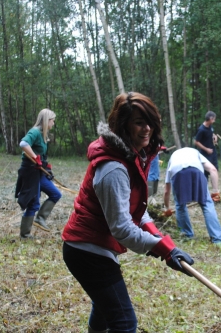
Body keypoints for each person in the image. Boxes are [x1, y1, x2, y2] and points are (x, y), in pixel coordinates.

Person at [61, 92, 194, 333]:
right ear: (123, 126)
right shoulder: (114, 168)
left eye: (150, 122)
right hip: (86, 251)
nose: (147, 129)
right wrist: (162, 250)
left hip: (95, 247)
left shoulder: (132, 157)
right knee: (124, 323)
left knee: (104, 310)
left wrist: (168, 246)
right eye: (139, 122)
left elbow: (137, 212)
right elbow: (122, 227)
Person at [163, 147, 221, 246]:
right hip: (197, 172)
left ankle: (186, 235)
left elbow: (167, 191)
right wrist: (215, 191)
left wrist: (167, 208)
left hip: (178, 174)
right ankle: (218, 239)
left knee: (180, 205)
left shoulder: (172, 158)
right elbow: (213, 169)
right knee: (206, 204)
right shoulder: (195, 153)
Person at [15, 109, 62, 239]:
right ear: (47, 120)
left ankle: (40, 218)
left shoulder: (43, 134)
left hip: (39, 172)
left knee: (55, 194)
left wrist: (46, 167)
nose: (53, 123)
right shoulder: (35, 131)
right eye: (53, 120)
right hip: (30, 172)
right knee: (33, 202)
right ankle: (25, 235)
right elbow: (23, 143)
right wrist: (35, 157)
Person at [194, 111, 218, 179]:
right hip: (205, 154)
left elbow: (211, 133)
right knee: (205, 173)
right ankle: (204, 187)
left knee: (215, 169)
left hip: (213, 152)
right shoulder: (201, 129)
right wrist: (206, 149)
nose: (214, 121)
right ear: (210, 118)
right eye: (214, 119)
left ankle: (215, 188)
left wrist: (214, 137)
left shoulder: (210, 126)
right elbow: (196, 142)